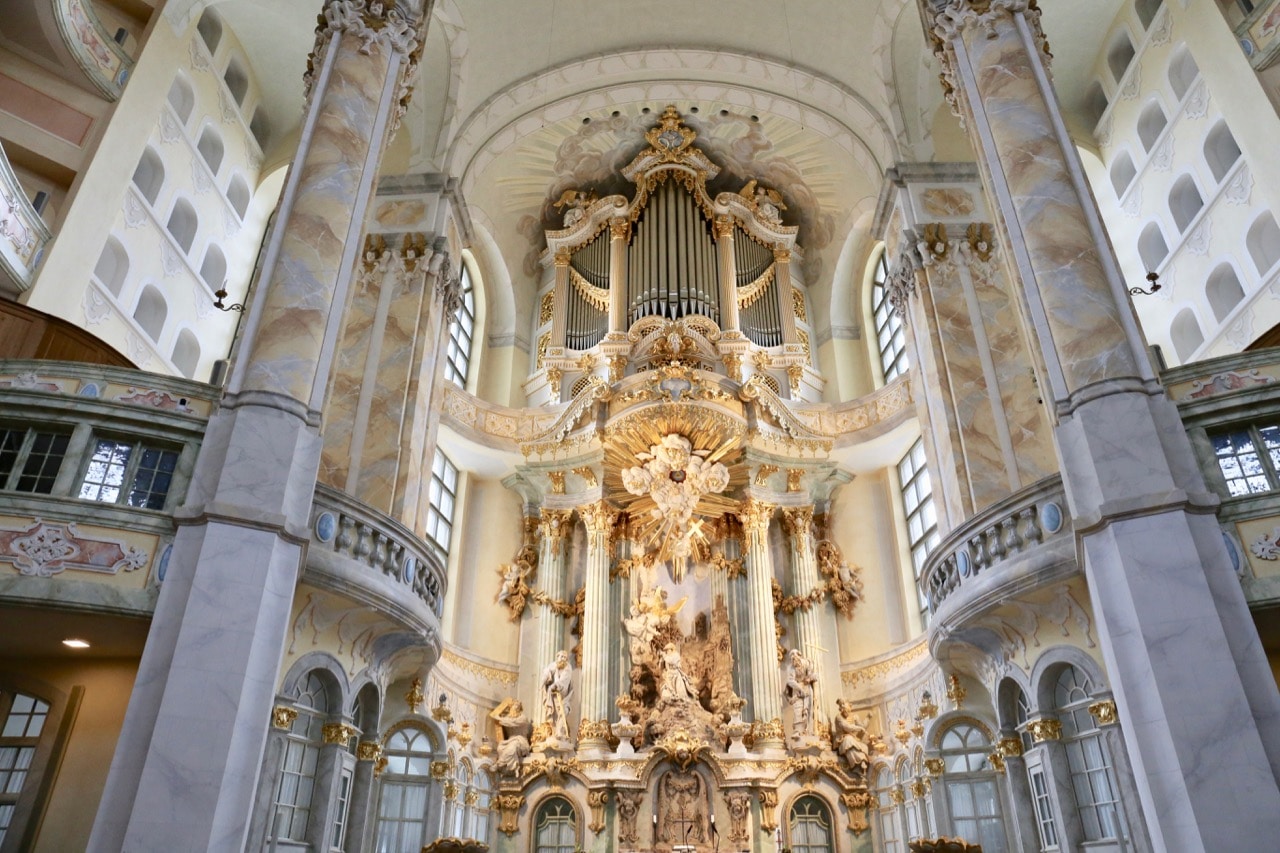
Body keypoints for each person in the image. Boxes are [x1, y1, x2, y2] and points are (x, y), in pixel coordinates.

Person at [489, 699, 531, 776]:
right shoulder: (507, 717)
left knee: (512, 748)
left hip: (520, 740)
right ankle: (508, 768)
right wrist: (499, 717)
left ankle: (498, 764)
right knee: (500, 748)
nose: (515, 707)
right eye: (514, 705)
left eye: (517, 706)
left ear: (520, 708)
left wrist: (499, 718)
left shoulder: (523, 718)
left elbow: (512, 723)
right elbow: (506, 720)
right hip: (510, 740)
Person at [833, 698, 871, 777]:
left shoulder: (854, 717)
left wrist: (868, 718)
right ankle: (856, 765)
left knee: (864, 746)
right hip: (841, 740)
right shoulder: (838, 717)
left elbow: (862, 726)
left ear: (850, 707)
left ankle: (862, 763)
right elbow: (847, 727)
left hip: (853, 739)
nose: (845, 711)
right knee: (848, 741)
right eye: (843, 709)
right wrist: (859, 728)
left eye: (847, 709)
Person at [541, 650, 573, 741]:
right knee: (554, 714)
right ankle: (554, 732)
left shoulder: (568, 668)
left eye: (564, 657)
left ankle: (560, 732)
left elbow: (563, 682)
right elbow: (547, 672)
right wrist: (544, 680)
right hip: (554, 696)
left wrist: (555, 686)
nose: (562, 659)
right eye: (561, 656)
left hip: (564, 697)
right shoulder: (554, 665)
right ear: (557, 657)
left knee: (563, 712)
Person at [784, 648, 816, 737]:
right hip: (797, 690)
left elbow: (814, 675)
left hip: (807, 689)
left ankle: (808, 731)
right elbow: (790, 681)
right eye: (791, 656)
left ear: (799, 655)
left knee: (808, 710)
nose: (793, 657)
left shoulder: (806, 663)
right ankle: (798, 731)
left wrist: (809, 678)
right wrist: (799, 688)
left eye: (794, 654)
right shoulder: (791, 668)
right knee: (797, 710)